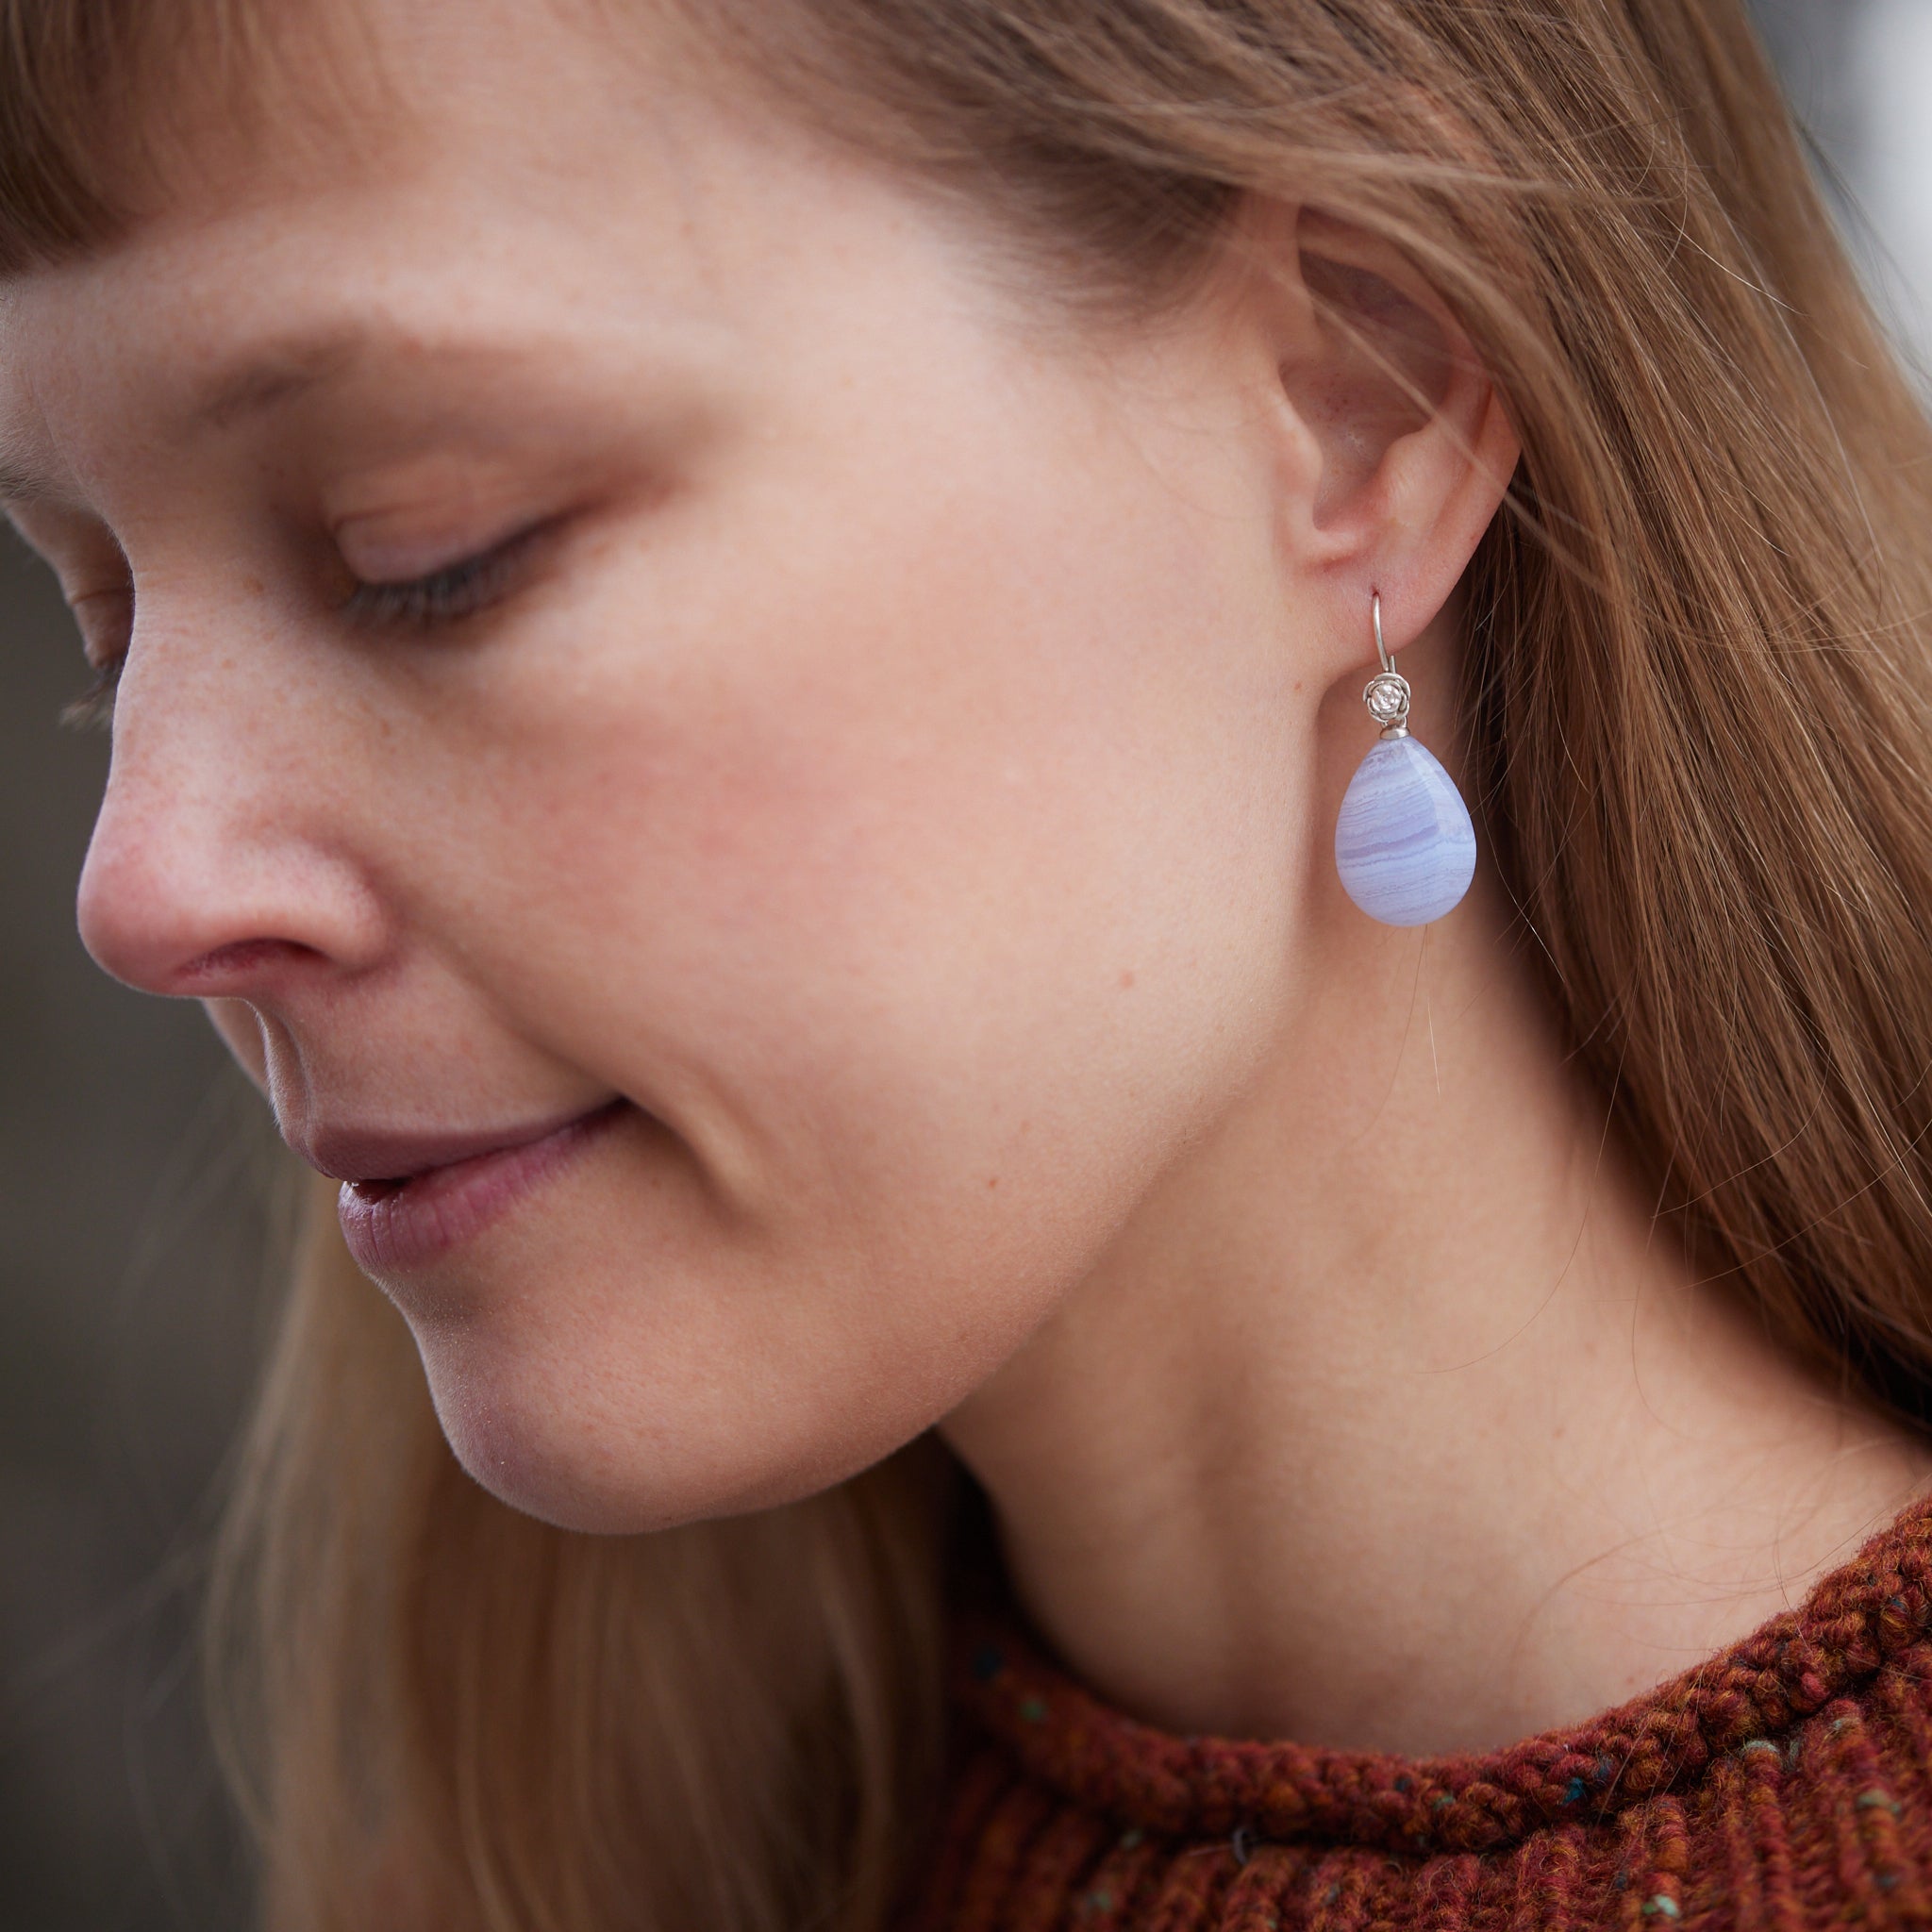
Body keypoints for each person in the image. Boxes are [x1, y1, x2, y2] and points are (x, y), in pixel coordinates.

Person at [7, 0, 1932, 1924]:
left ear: (1364, 396)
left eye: (431, 548)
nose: (148, 883)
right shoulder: (565, 1851)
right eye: (107, 613)